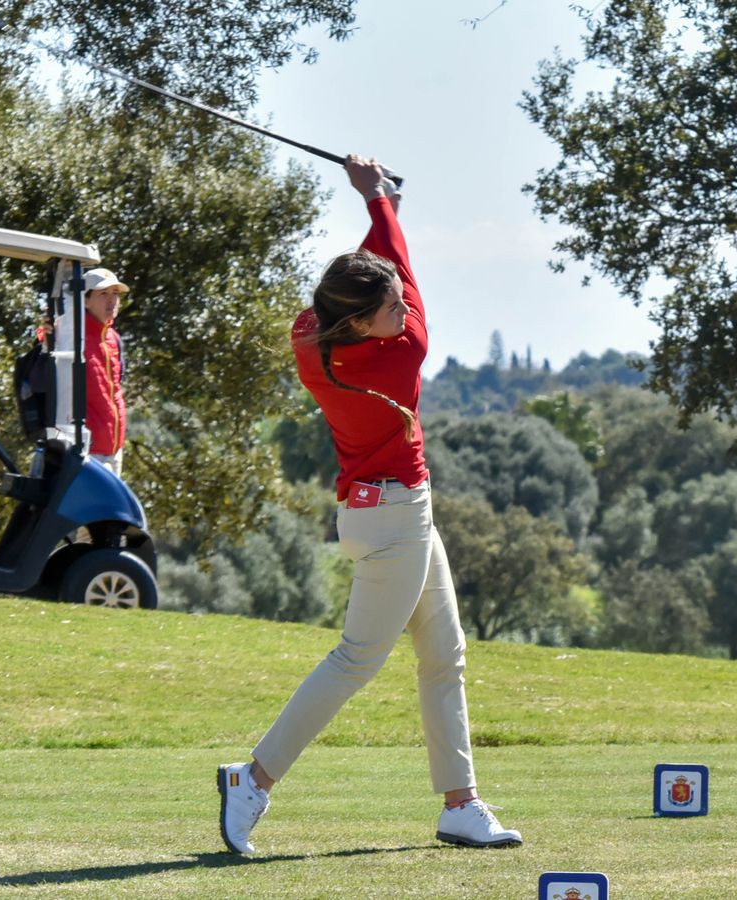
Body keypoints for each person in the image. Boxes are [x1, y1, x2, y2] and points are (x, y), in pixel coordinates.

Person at [216, 155, 522, 855]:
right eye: (390, 308)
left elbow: (373, 274)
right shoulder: (406, 349)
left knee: (445, 654)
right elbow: (397, 265)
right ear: (361, 321)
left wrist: (380, 207)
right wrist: (377, 196)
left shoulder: (312, 340)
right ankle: (253, 779)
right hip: (394, 520)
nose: (403, 310)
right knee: (357, 659)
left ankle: (461, 804)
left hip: (381, 514)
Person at [76, 268, 130, 475]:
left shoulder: (114, 338)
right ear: (85, 300)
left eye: (115, 293)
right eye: (103, 293)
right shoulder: (71, 336)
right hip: (88, 453)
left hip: (115, 451)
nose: (112, 300)